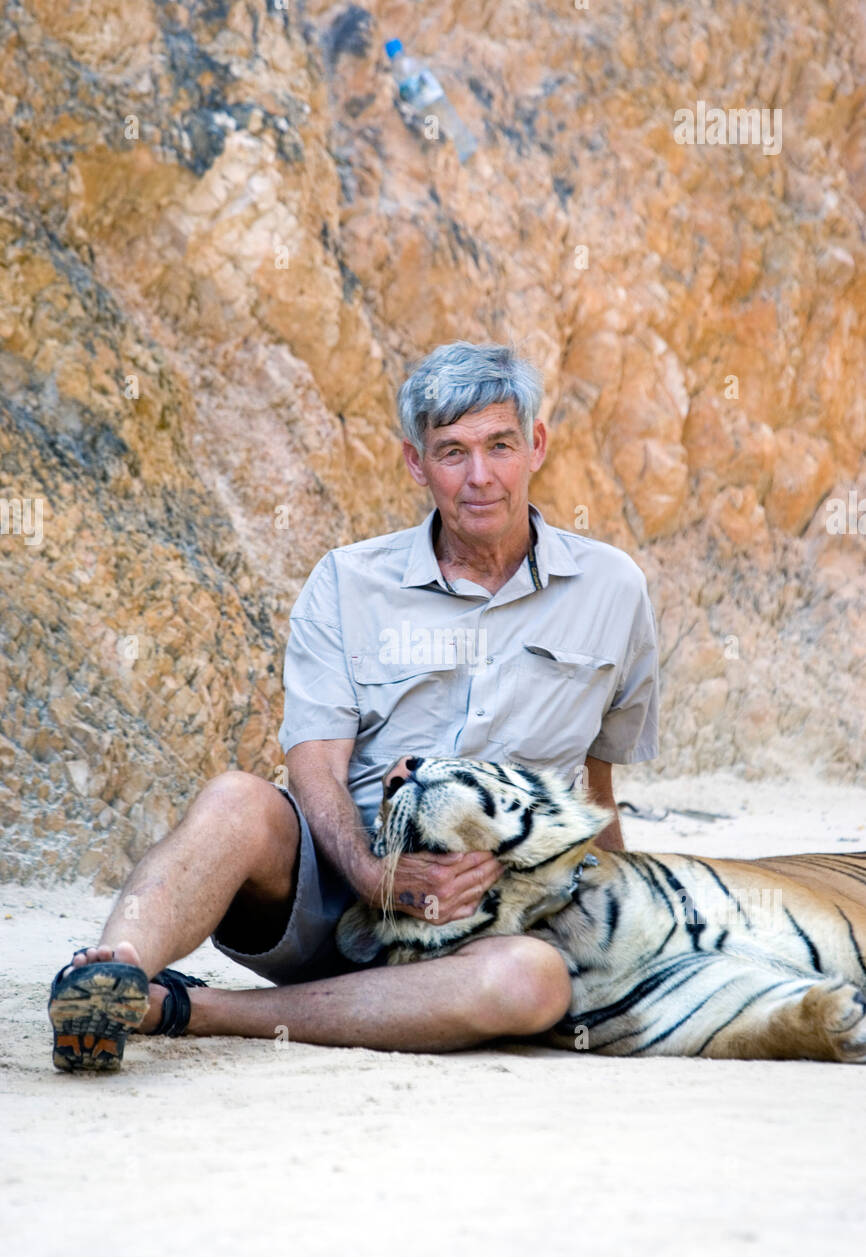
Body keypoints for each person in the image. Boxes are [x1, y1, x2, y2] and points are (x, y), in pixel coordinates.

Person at [48, 341, 659, 1071]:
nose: (480, 477)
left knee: (528, 981)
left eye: (500, 445)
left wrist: (639, 934)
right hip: (339, 898)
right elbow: (314, 767)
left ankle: (185, 1009)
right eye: (451, 452)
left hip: (503, 920)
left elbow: (596, 790)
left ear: (536, 445)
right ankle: (109, 974)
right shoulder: (346, 582)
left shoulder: (612, 590)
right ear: (414, 462)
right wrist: (376, 876)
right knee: (237, 799)